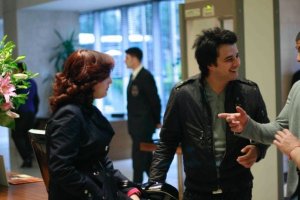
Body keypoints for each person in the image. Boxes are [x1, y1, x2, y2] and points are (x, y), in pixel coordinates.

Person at [147, 27, 270, 200]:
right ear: (210, 64)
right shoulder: (183, 94)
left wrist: (258, 149)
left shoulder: (249, 91)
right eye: (229, 59)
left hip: (239, 190)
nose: (237, 63)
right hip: (197, 192)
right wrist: (155, 185)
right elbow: (167, 143)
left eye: (237, 56)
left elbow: (265, 130)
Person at [46, 49, 141, 200]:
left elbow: (100, 160)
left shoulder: (87, 110)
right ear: (89, 78)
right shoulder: (70, 115)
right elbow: (61, 169)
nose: (110, 81)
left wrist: (128, 187)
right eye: (106, 76)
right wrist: (98, 194)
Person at [218, 31, 300, 199]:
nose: (298, 58)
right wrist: (247, 125)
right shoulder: (298, 88)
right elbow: (278, 129)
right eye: (297, 50)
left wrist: (295, 149)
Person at [125, 47, 161, 183]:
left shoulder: (145, 76)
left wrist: (157, 120)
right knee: (145, 160)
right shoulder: (133, 76)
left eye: (127, 58)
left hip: (143, 125)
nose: (125, 61)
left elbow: (154, 101)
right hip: (135, 125)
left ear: (134, 59)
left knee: (138, 159)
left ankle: (137, 187)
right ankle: (156, 183)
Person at [11, 61, 39, 168]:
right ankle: (29, 156)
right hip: (31, 113)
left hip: (20, 113)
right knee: (26, 136)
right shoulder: (33, 81)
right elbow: (37, 99)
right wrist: (34, 112)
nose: (13, 72)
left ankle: (27, 158)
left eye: (15, 70)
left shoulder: (18, 83)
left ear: (20, 70)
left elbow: (13, 100)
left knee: (16, 135)